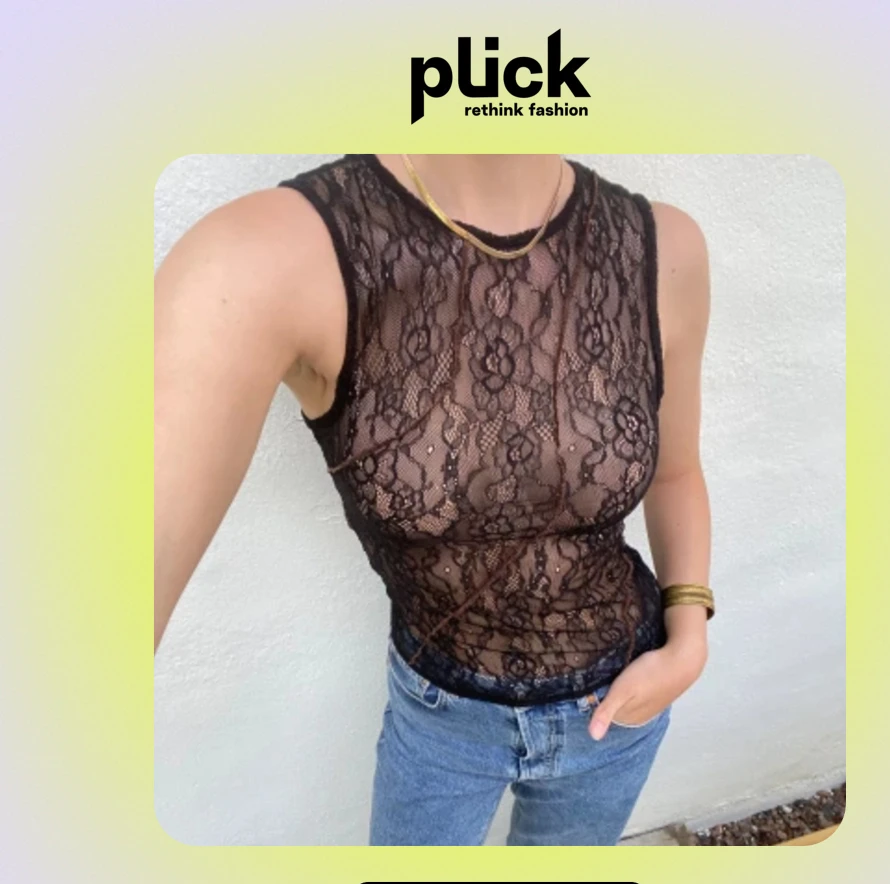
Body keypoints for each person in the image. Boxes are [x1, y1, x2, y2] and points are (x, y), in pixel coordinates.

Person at [154, 153, 713, 846]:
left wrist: (689, 638)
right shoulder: (272, 257)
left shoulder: (662, 247)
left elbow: (675, 473)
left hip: (620, 705)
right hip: (442, 720)